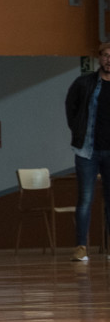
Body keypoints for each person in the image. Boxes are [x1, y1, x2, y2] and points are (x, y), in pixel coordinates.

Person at [64, 41, 110, 263]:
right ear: (99, 58)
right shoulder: (84, 83)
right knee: (85, 199)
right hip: (87, 151)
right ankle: (81, 247)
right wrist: (78, 131)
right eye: (105, 55)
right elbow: (71, 108)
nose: (109, 59)